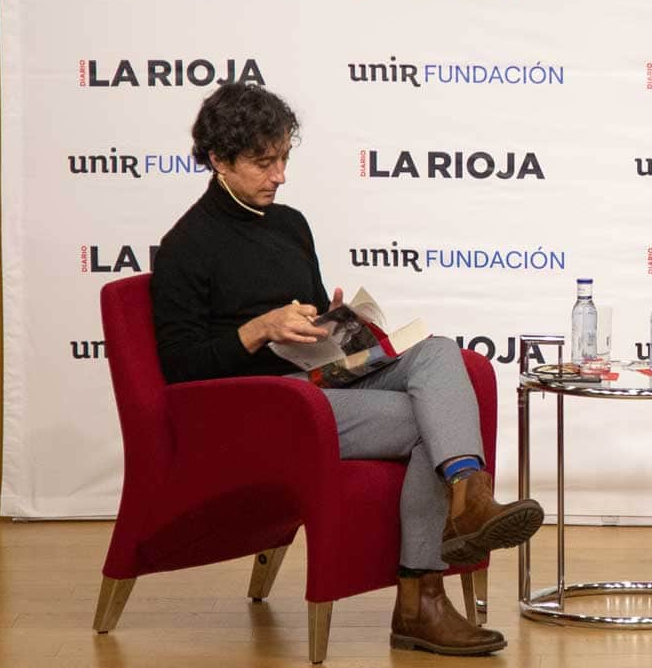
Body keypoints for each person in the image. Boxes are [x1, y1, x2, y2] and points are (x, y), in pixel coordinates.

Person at [150, 82, 543, 656]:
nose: (279, 174)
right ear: (218, 159)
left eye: (284, 157)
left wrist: (335, 320)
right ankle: (422, 599)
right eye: (264, 162)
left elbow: (307, 318)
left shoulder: (290, 225)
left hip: (319, 380)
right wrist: (258, 328)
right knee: (428, 421)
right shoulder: (187, 246)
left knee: (438, 352)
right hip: (263, 407)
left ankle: (467, 497)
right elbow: (181, 369)